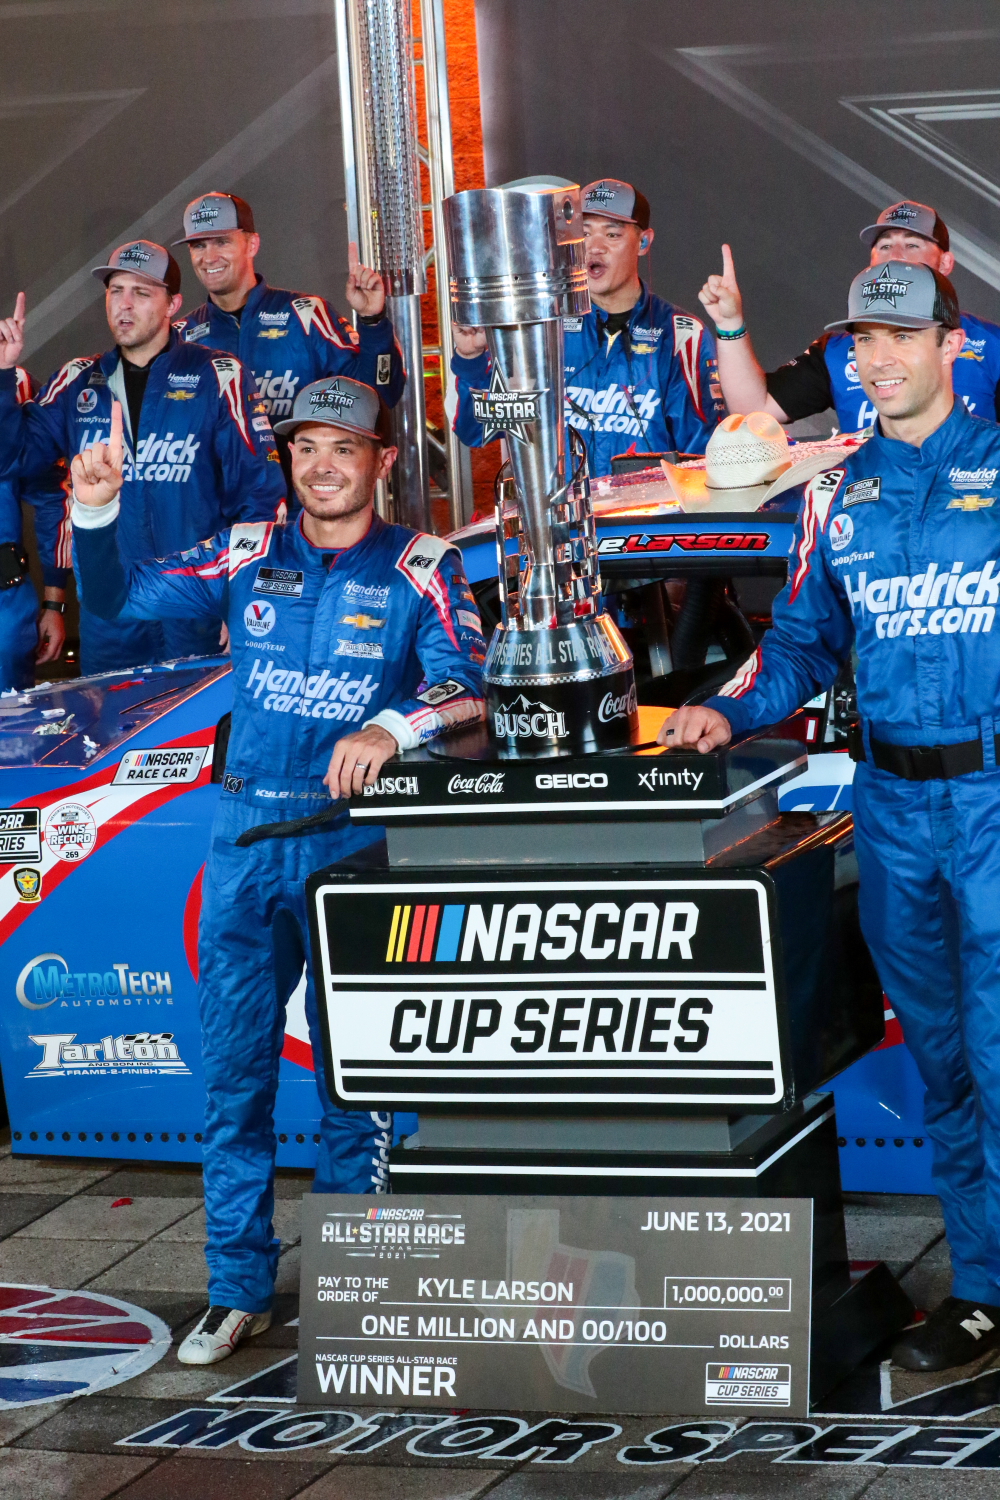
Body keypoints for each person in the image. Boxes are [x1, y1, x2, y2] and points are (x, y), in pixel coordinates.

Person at [71, 376, 485, 1364]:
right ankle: (235, 1288)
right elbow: (120, 600)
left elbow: (466, 685)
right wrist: (95, 510)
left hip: (354, 847)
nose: (323, 465)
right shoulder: (250, 550)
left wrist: (393, 724)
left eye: (343, 447)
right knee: (235, 1079)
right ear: (288, 460)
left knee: (362, 1081)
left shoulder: (424, 567)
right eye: (305, 448)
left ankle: (354, 1283)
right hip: (246, 840)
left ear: (383, 460)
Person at [660, 258, 1000, 1373]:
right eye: (864, 340)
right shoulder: (832, 491)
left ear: (954, 345)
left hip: (995, 798)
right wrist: (721, 706)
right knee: (945, 1063)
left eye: (902, 335)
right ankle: (984, 1291)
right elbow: (803, 641)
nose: (880, 356)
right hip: (891, 805)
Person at [0, 241, 286, 673]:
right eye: (116, 291)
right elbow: (12, 457)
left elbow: (261, 493)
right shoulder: (78, 380)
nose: (125, 305)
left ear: (173, 303)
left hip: (198, 602)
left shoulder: (218, 374)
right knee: (112, 733)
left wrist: (247, 593)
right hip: (111, 612)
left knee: (206, 734)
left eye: (142, 292)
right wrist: (3, 377)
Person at [452, 178, 725, 477]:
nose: (594, 248)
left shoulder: (682, 335)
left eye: (611, 234)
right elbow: (476, 431)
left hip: (646, 518)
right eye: (583, 233)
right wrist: (471, 360)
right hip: (561, 520)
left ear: (643, 242)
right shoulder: (543, 328)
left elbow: (703, 456)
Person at [702, 200, 1000, 433]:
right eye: (884, 246)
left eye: (911, 245)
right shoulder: (836, 351)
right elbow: (754, 410)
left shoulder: (992, 344)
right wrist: (730, 325)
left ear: (945, 262)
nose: (895, 255)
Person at [172, 192, 405, 427]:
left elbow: (379, 396)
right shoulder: (181, 337)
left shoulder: (307, 314)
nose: (209, 258)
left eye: (222, 242)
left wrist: (372, 320)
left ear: (252, 244)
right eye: (198, 245)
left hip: (296, 465)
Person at [0, 370, 70, 689]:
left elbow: (52, 498)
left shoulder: (14, 383)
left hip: (6, 609)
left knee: (14, 731)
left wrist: (54, 602)